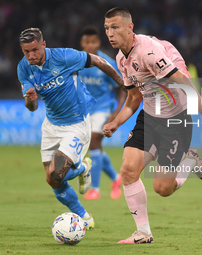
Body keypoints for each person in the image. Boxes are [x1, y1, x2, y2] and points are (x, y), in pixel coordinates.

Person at [103, 7, 202, 243]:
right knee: (128, 170)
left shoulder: (148, 52)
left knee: (163, 189)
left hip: (175, 120)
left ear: (130, 27)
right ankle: (143, 233)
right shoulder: (121, 58)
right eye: (107, 28)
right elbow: (134, 97)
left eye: (115, 27)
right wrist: (116, 122)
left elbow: (181, 79)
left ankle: (190, 160)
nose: (110, 33)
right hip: (149, 117)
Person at [17, 27, 123, 229]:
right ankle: (84, 216)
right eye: (26, 51)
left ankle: (84, 167)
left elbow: (98, 61)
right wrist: (30, 100)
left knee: (57, 173)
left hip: (76, 124)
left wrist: (122, 82)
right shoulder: (23, 68)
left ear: (44, 44)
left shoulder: (65, 57)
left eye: (35, 50)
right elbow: (32, 108)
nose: (31, 55)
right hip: (51, 126)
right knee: (52, 181)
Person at [78, 26, 126, 200]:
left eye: (93, 42)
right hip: (85, 109)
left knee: (94, 140)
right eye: (87, 42)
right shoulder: (77, 61)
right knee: (94, 146)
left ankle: (95, 189)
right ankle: (115, 177)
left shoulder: (107, 63)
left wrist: (116, 112)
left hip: (103, 107)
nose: (90, 45)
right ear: (82, 44)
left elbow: (123, 87)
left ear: (98, 43)